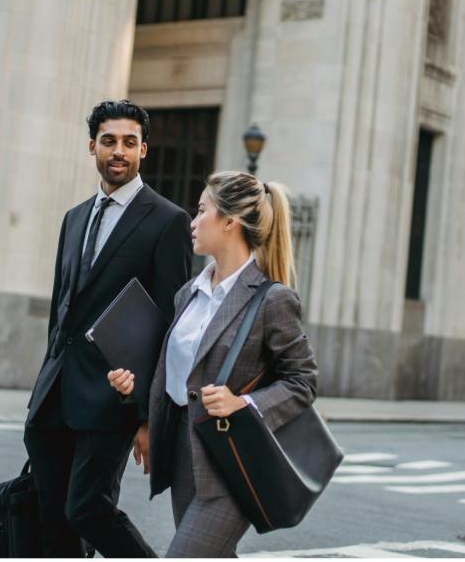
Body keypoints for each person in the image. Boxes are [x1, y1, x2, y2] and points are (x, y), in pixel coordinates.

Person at [107, 171, 319, 557]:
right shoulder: (189, 292)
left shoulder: (272, 300)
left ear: (229, 222)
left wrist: (245, 404)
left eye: (202, 210)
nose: (192, 220)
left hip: (232, 463)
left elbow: (303, 381)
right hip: (183, 452)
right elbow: (174, 371)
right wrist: (142, 411)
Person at [24, 99, 193, 557]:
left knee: (88, 509)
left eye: (129, 142)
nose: (119, 150)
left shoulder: (167, 220)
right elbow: (65, 307)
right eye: (109, 141)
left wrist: (146, 413)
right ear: (92, 147)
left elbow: (170, 322)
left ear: (144, 151)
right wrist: (45, 380)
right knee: (52, 516)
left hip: (114, 395)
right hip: (55, 392)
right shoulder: (74, 217)